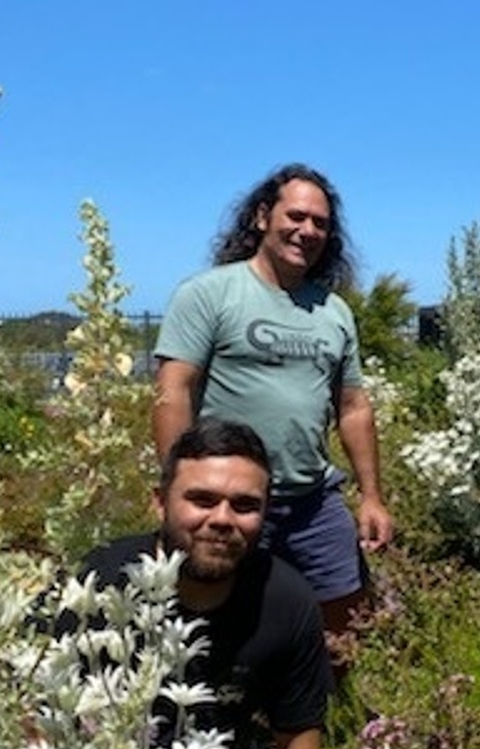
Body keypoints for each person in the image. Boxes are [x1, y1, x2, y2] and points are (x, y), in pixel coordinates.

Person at [150, 164, 394, 669]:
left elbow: (353, 407)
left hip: (312, 501)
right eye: (297, 216)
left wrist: (371, 497)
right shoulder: (209, 294)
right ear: (263, 217)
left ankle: (332, 720)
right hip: (231, 503)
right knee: (215, 623)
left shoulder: (333, 312)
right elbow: (173, 391)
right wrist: (177, 483)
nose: (308, 231)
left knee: (344, 625)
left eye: (321, 224)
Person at [59, 418, 331, 749]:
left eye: (245, 506)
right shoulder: (96, 584)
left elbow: (298, 746)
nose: (222, 519)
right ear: (159, 503)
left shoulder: (286, 602)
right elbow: (33, 709)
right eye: (202, 500)